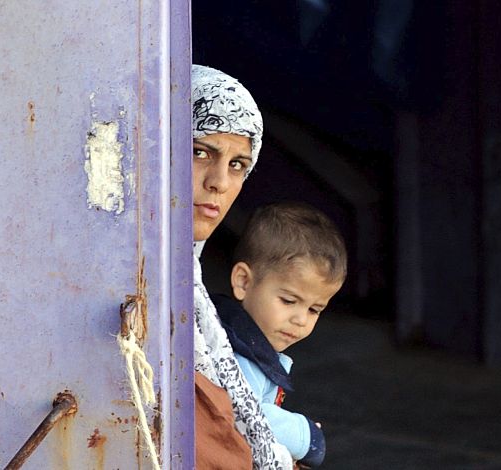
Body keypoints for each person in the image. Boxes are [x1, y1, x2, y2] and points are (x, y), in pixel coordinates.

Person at [190, 64, 294, 469]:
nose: (219, 182)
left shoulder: (188, 287)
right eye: (200, 152)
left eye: (238, 165)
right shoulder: (132, 282)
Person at [211, 202, 347, 468]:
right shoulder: (238, 355)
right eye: (288, 301)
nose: (300, 319)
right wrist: (306, 436)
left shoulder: (237, 333)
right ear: (243, 281)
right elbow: (247, 415)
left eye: (314, 309)